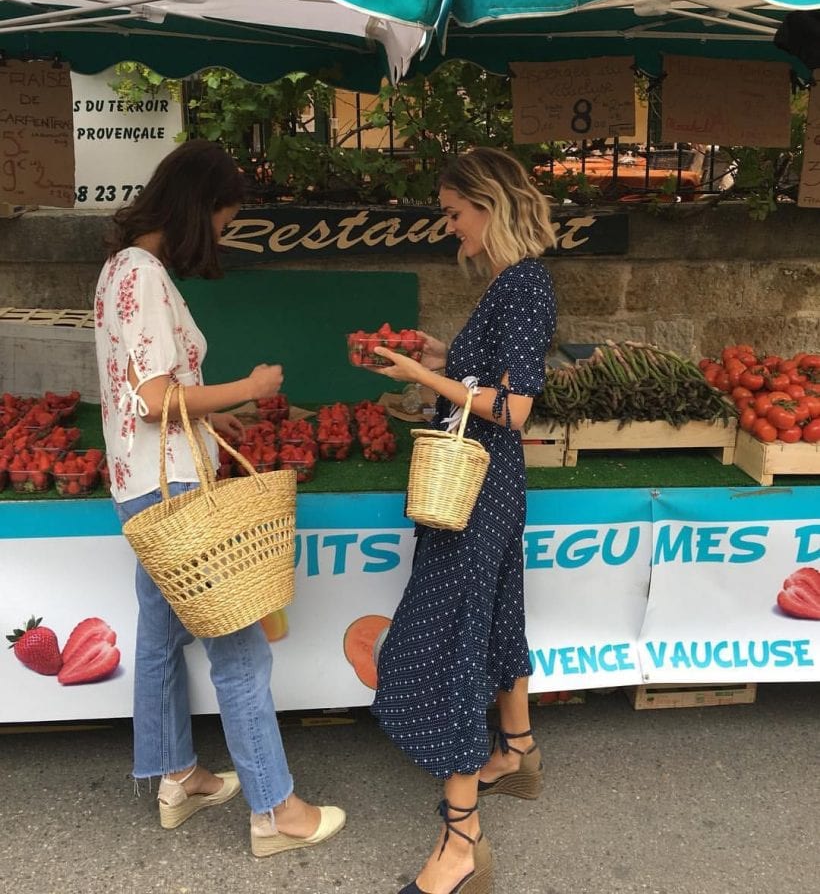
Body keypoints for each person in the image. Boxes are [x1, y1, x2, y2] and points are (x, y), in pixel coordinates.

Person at [93, 139, 345, 857]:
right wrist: (249, 389)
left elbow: (145, 395)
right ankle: (276, 810)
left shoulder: (120, 270)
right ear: (197, 209)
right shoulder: (144, 277)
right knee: (240, 651)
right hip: (174, 494)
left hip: (141, 485)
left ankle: (177, 776)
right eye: (225, 218)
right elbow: (151, 398)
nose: (225, 234)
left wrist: (209, 414)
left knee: (162, 634)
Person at [370, 147, 558, 894]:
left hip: (477, 486)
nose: (450, 227)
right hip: (488, 484)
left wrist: (423, 377)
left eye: (454, 212)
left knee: (445, 645)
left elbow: (513, 409)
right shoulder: (512, 283)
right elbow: (489, 378)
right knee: (494, 614)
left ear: (489, 204)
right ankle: (517, 754)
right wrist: (439, 355)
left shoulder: (524, 284)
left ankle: (461, 844)